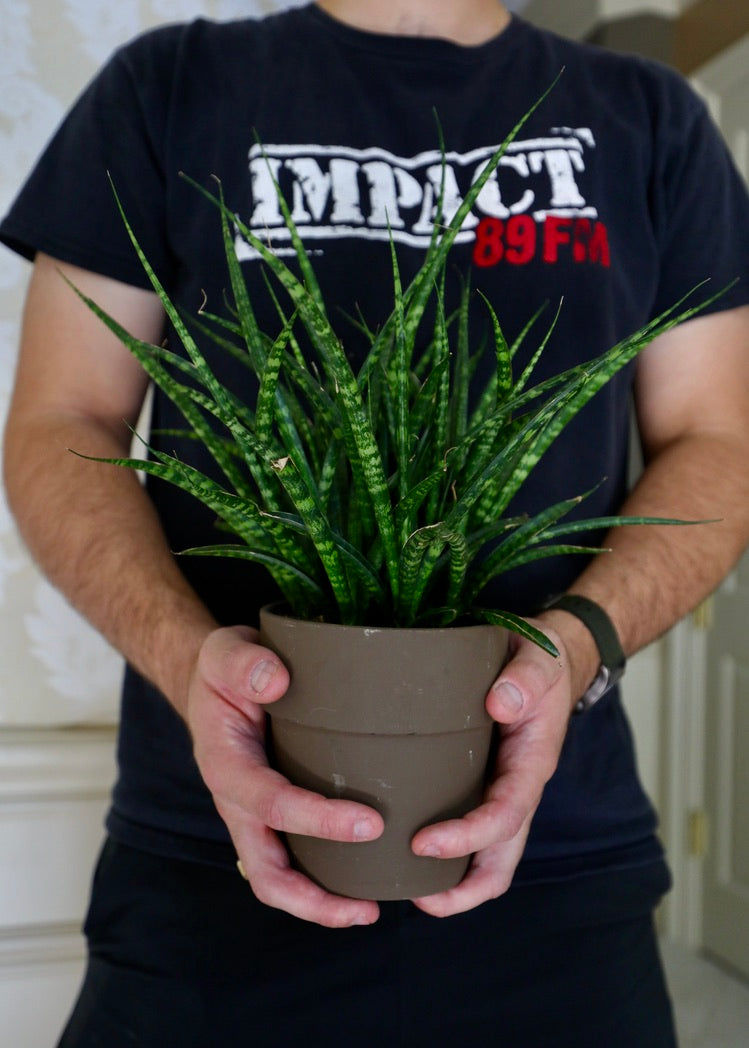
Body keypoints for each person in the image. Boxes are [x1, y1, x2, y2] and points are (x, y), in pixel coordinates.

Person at [3, 1, 749, 1044]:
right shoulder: (169, 83)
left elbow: (716, 443)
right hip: (207, 856)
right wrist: (186, 660)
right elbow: (58, 421)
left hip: (558, 865)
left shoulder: (653, 116)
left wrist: (571, 649)